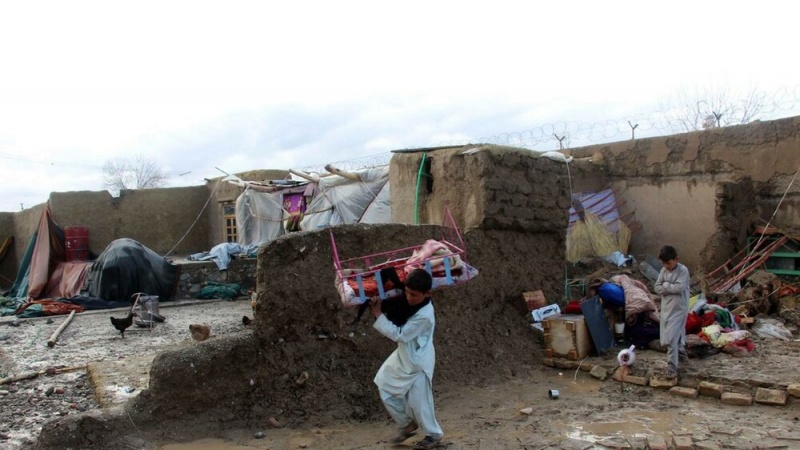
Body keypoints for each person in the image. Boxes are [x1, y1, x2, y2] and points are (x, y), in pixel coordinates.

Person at [369, 268, 443, 450]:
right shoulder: (410, 303)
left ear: (427, 294)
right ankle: (407, 424)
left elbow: (400, 335)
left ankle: (433, 435)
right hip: (404, 355)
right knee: (384, 384)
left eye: (414, 295)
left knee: (420, 402)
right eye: (407, 292)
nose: (409, 298)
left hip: (418, 361)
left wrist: (378, 314)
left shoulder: (424, 315)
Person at [653, 245, 690, 379]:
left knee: (670, 338)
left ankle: (672, 368)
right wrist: (669, 287)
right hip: (666, 309)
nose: (666, 266)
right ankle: (682, 355)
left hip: (679, 309)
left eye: (668, 263)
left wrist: (665, 286)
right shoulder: (663, 270)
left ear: (676, 259)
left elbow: (679, 288)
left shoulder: (683, 270)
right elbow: (656, 287)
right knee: (672, 335)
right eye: (664, 264)